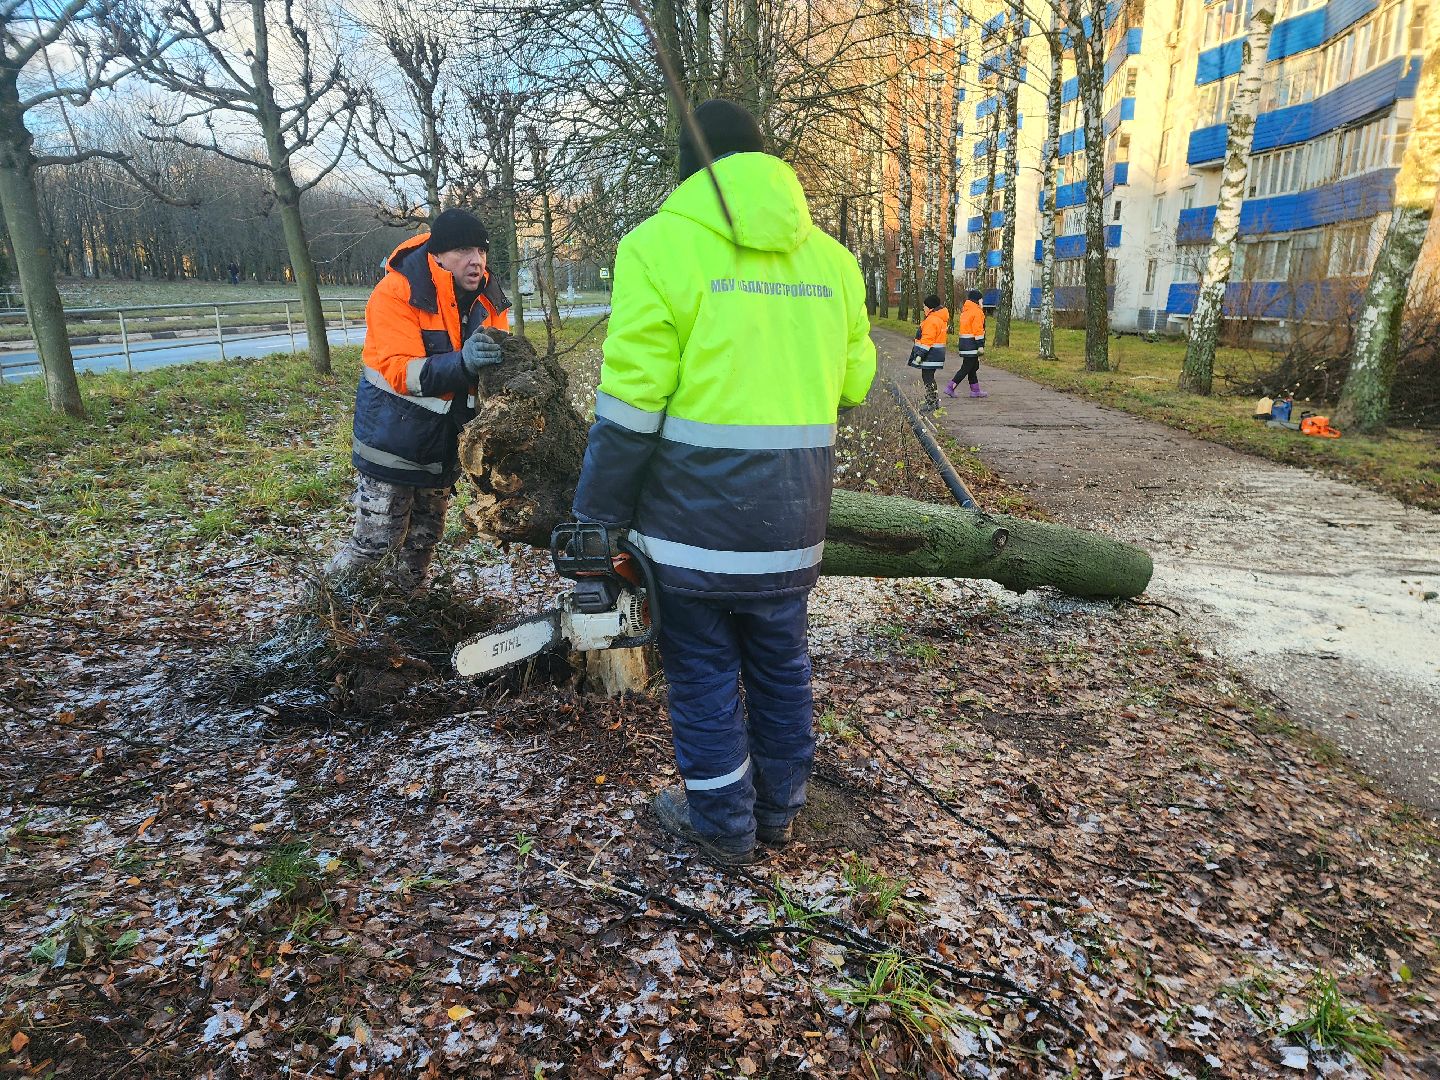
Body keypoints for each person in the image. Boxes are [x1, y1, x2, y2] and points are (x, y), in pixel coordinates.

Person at [570, 99, 876, 864]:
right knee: (781, 664)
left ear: (688, 170)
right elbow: (856, 383)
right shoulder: (833, 262)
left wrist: (594, 520)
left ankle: (722, 823)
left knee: (704, 673)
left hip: (692, 525)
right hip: (792, 523)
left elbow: (632, 408)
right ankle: (779, 811)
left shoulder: (656, 247)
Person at [327, 208, 511, 591]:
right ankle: (325, 607)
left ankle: (403, 614)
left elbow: (495, 373)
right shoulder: (397, 292)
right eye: (463, 250)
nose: (476, 260)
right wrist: (463, 363)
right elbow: (401, 371)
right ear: (438, 255)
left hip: (441, 452)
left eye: (481, 250)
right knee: (374, 548)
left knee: (420, 546)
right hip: (392, 445)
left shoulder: (490, 300)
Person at [945, 288, 988, 399]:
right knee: (967, 368)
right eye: (981, 299)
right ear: (977, 300)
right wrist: (980, 345)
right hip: (972, 344)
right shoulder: (977, 312)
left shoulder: (965, 311)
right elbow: (978, 330)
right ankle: (951, 387)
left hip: (964, 343)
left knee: (973, 367)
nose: (982, 302)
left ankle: (975, 390)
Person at [909, 293, 949, 410]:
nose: (923, 308)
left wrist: (920, 355)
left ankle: (932, 401)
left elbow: (927, 339)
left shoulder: (931, 320)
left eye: (924, 306)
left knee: (927, 377)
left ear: (930, 307)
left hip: (930, 354)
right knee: (929, 376)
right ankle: (933, 400)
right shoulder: (939, 319)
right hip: (937, 354)